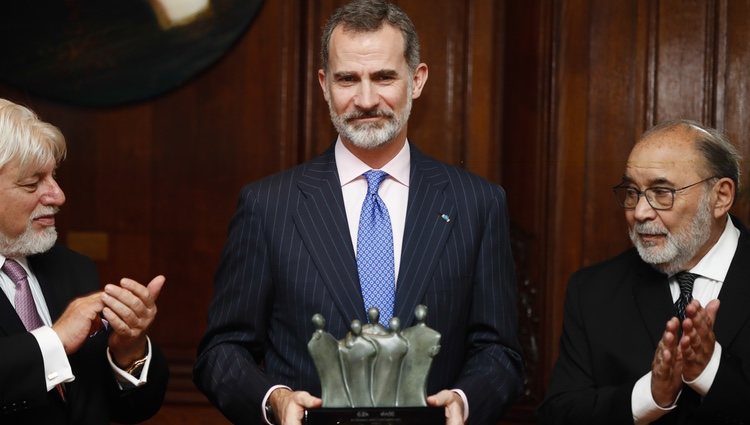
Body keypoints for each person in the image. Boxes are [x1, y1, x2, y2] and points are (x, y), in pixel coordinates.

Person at [193, 0, 523, 424]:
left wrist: (464, 400)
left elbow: (500, 351)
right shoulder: (268, 206)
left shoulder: (477, 204)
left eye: (384, 77)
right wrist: (274, 400)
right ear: (324, 84)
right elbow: (221, 351)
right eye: (348, 79)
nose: (366, 99)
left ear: (417, 80)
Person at [538, 119, 750, 424]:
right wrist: (649, 397)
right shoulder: (593, 291)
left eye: (662, 192)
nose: (639, 212)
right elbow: (559, 415)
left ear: (720, 197)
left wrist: (710, 371)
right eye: (632, 192)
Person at [0, 98, 169, 424]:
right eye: (33, 183)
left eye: (53, 177)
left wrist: (129, 349)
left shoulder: (73, 269)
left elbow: (134, 408)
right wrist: (55, 340)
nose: (58, 195)